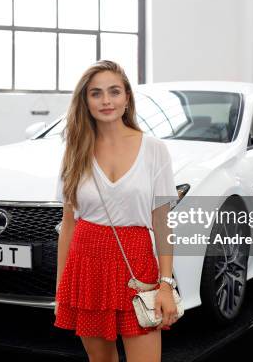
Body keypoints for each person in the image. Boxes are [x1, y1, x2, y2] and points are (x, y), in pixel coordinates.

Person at [53, 60, 180, 361]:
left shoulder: (154, 149)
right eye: (96, 93)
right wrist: (60, 290)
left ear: (126, 99)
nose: (106, 100)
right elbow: (68, 224)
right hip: (86, 266)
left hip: (136, 264)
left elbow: (162, 223)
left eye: (114, 92)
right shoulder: (75, 150)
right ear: (85, 101)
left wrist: (166, 284)